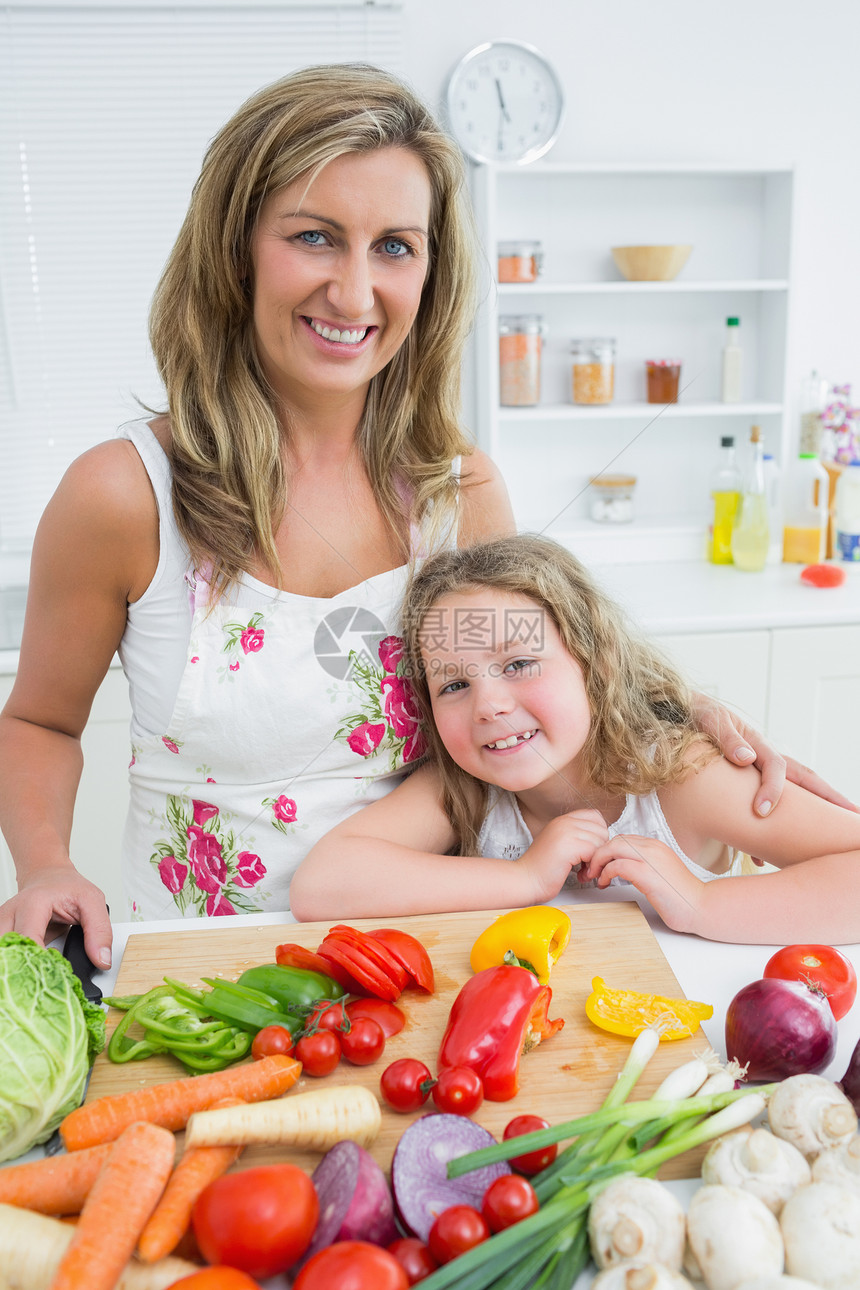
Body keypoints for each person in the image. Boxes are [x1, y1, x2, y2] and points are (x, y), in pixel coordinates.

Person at [0, 66, 835, 968]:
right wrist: (44, 864)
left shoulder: (459, 489)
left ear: (433, 272)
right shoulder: (125, 495)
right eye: (315, 237)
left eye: (395, 246)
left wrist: (683, 722)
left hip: (431, 962)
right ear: (234, 249)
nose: (356, 295)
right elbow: (40, 722)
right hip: (209, 967)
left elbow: (528, 676)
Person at [291, 534, 860, 944]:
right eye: (454, 684)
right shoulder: (463, 787)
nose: (487, 705)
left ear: (595, 665)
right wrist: (524, 876)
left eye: (517, 664)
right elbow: (320, 886)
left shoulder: (683, 777)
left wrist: (703, 902)